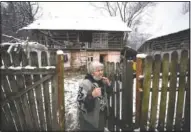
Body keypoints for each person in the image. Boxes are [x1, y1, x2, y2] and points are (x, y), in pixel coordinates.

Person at [77, 61, 113, 131]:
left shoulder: (101, 81)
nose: (101, 72)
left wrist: (108, 85)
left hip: (101, 115)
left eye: (102, 70)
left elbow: (108, 94)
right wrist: (92, 95)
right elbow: (80, 104)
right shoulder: (85, 83)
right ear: (92, 72)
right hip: (89, 119)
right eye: (98, 70)